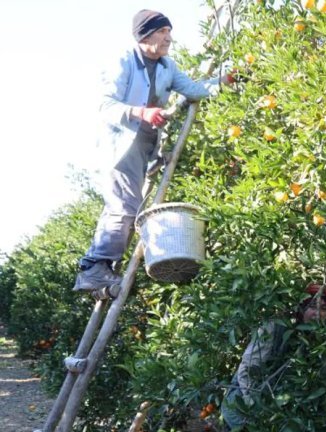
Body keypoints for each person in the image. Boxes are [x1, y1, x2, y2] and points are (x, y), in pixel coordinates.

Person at [74, 9, 232, 291]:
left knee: (130, 206)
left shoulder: (167, 67)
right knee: (123, 206)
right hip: (120, 147)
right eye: (162, 32)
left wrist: (223, 82)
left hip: (147, 148)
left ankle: (100, 265)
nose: (169, 38)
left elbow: (194, 90)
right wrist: (141, 113)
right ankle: (94, 267)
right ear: (145, 35)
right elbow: (105, 106)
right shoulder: (123, 61)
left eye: (169, 31)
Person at [221, 284, 326, 432]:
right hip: (242, 412)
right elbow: (246, 372)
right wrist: (256, 413)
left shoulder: (316, 341)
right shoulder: (275, 326)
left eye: (323, 308)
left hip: (274, 421)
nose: (318, 312)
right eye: (312, 306)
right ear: (300, 308)